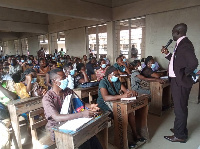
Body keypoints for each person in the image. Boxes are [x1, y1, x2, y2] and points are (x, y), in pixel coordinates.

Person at [42, 68, 103, 149]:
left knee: (91, 136)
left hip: (73, 122)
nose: (66, 80)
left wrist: (91, 106)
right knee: (83, 140)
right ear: (54, 81)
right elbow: (57, 117)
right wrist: (82, 114)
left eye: (65, 77)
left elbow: (81, 104)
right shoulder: (48, 98)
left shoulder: (68, 91)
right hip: (58, 129)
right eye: (63, 78)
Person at [161, 23, 198, 143]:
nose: (172, 35)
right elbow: (177, 62)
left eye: (173, 32)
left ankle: (179, 135)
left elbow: (193, 62)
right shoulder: (181, 44)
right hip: (177, 81)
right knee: (180, 107)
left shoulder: (184, 44)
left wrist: (183, 74)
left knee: (179, 109)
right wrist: (167, 54)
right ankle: (180, 129)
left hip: (180, 82)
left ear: (177, 32)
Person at [97, 66, 145, 147]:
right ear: (110, 75)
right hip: (104, 105)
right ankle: (122, 140)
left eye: (117, 75)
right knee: (121, 115)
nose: (117, 77)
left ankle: (135, 134)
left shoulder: (116, 81)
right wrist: (122, 96)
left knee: (130, 113)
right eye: (116, 75)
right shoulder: (103, 82)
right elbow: (105, 97)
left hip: (115, 102)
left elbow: (126, 91)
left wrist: (130, 93)